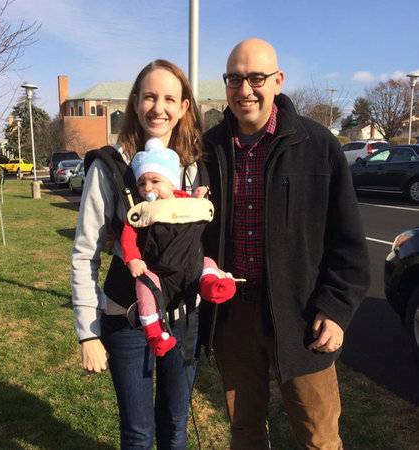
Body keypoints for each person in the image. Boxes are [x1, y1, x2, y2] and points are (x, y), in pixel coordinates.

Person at [201, 38, 370, 449]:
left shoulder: (318, 145)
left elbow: (347, 243)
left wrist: (336, 309)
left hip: (302, 317)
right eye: (235, 79)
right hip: (233, 315)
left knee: (318, 435)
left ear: (277, 81)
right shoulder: (208, 150)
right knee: (245, 431)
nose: (245, 90)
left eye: (256, 78)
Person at [71, 59, 209, 449]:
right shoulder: (110, 167)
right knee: (137, 433)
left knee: (176, 425)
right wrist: (87, 333)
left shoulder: (196, 169)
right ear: (134, 103)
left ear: (184, 107)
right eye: (149, 97)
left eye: (169, 98)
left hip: (184, 316)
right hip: (126, 319)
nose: (158, 108)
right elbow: (85, 253)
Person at [121, 137, 236, 357]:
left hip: (189, 261)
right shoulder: (141, 210)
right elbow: (129, 236)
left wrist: (198, 198)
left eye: (155, 181)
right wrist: (132, 259)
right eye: (142, 183)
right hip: (156, 269)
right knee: (145, 287)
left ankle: (213, 285)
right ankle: (155, 333)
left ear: (172, 183)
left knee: (207, 262)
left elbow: (194, 209)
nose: (148, 189)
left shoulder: (183, 199)